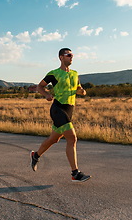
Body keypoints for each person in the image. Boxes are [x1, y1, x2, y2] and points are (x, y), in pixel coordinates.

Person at [30, 47, 91, 182]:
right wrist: (46, 94)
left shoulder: (75, 74)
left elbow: (78, 88)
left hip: (70, 109)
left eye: (72, 55)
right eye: (68, 55)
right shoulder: (54, 74)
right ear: (61, 57)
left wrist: (82, 91)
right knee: (72, 138)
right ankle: (75, 173)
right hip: (58, 109)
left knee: (54, 139)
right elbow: (40, 86)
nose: (71, 57)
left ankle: (36, 155)